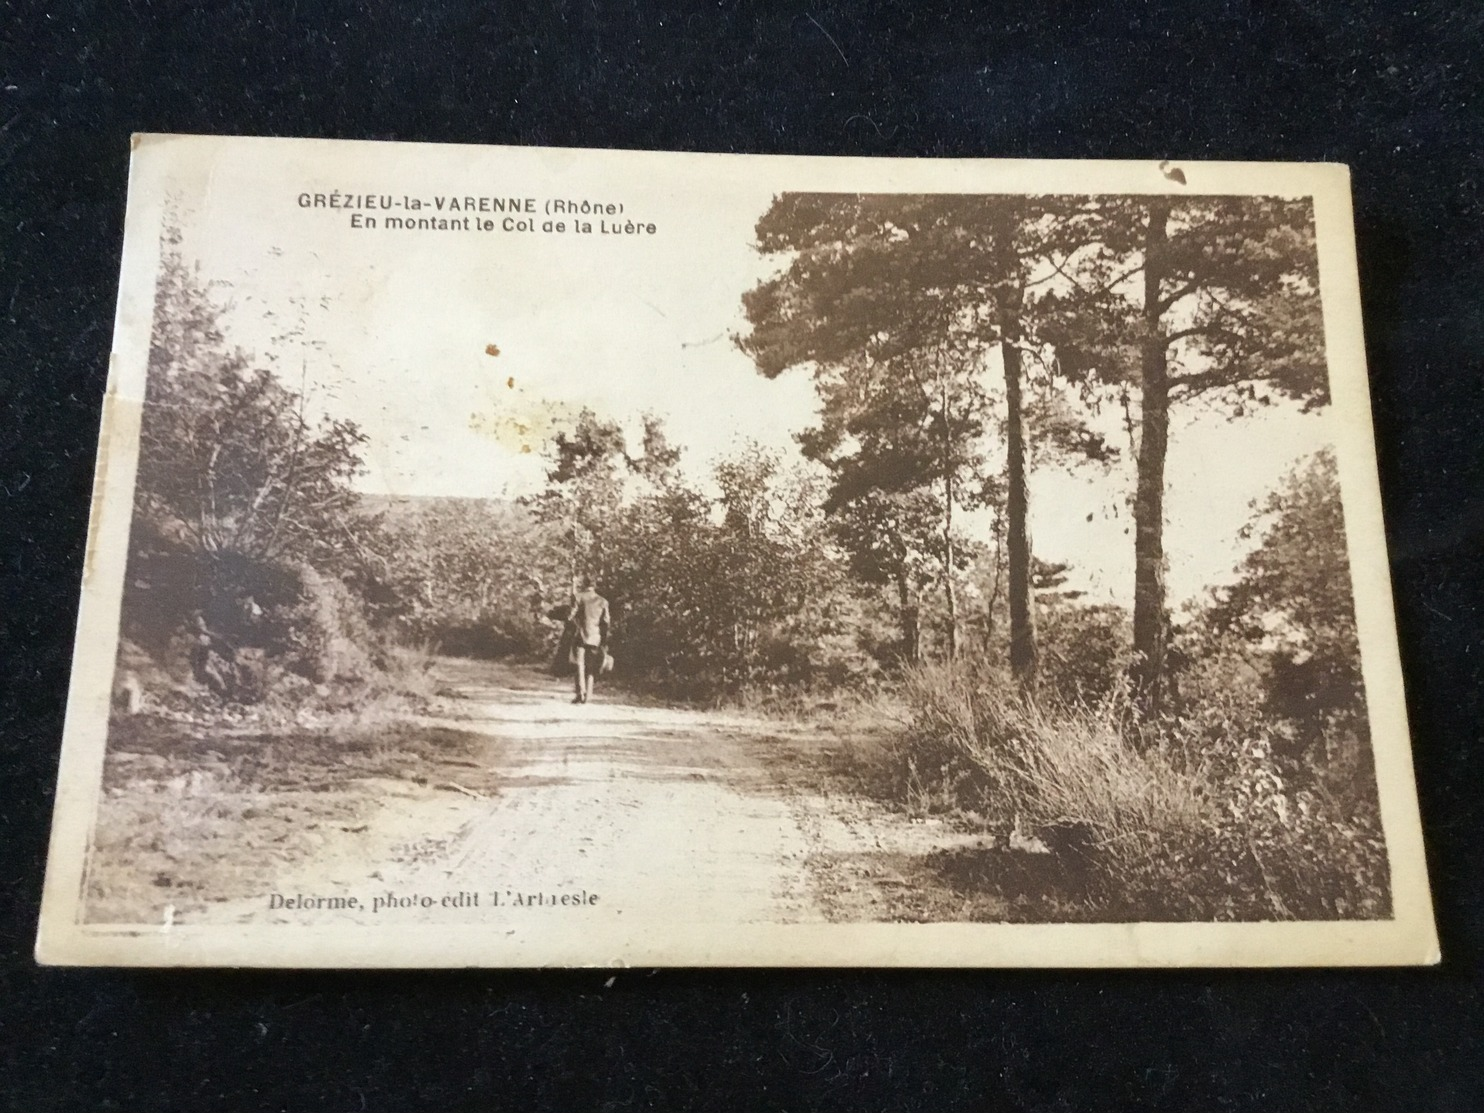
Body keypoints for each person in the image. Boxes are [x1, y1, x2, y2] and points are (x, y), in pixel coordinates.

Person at [565, 578, 610, 704]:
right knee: (591, 667)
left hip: (581, 635)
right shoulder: (603, 601)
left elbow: (570, 616)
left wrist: (573, 622)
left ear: (584, 585)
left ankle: (581, 693)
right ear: (594, 586)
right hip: (596, 637)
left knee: (580, 664)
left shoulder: (578, 597)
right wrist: (604, 639)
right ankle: (588, 695)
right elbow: (606, 622)